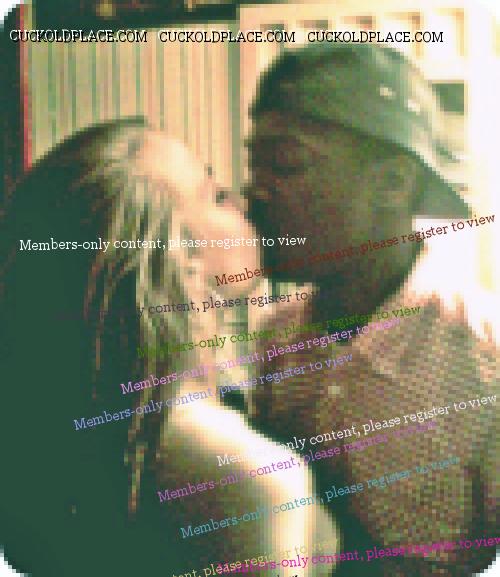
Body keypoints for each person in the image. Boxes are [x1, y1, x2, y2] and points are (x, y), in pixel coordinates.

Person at [0, 119, 335, 576]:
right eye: (216, 195)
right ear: (177, 260)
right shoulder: (244, 479)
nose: (242, 202)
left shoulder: (48, 435)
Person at [246, 44, 498, 577]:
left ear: (393, 184)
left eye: (287, 163)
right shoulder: (275, 340)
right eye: (254, 164)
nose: (255, 191)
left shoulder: (484, 355)